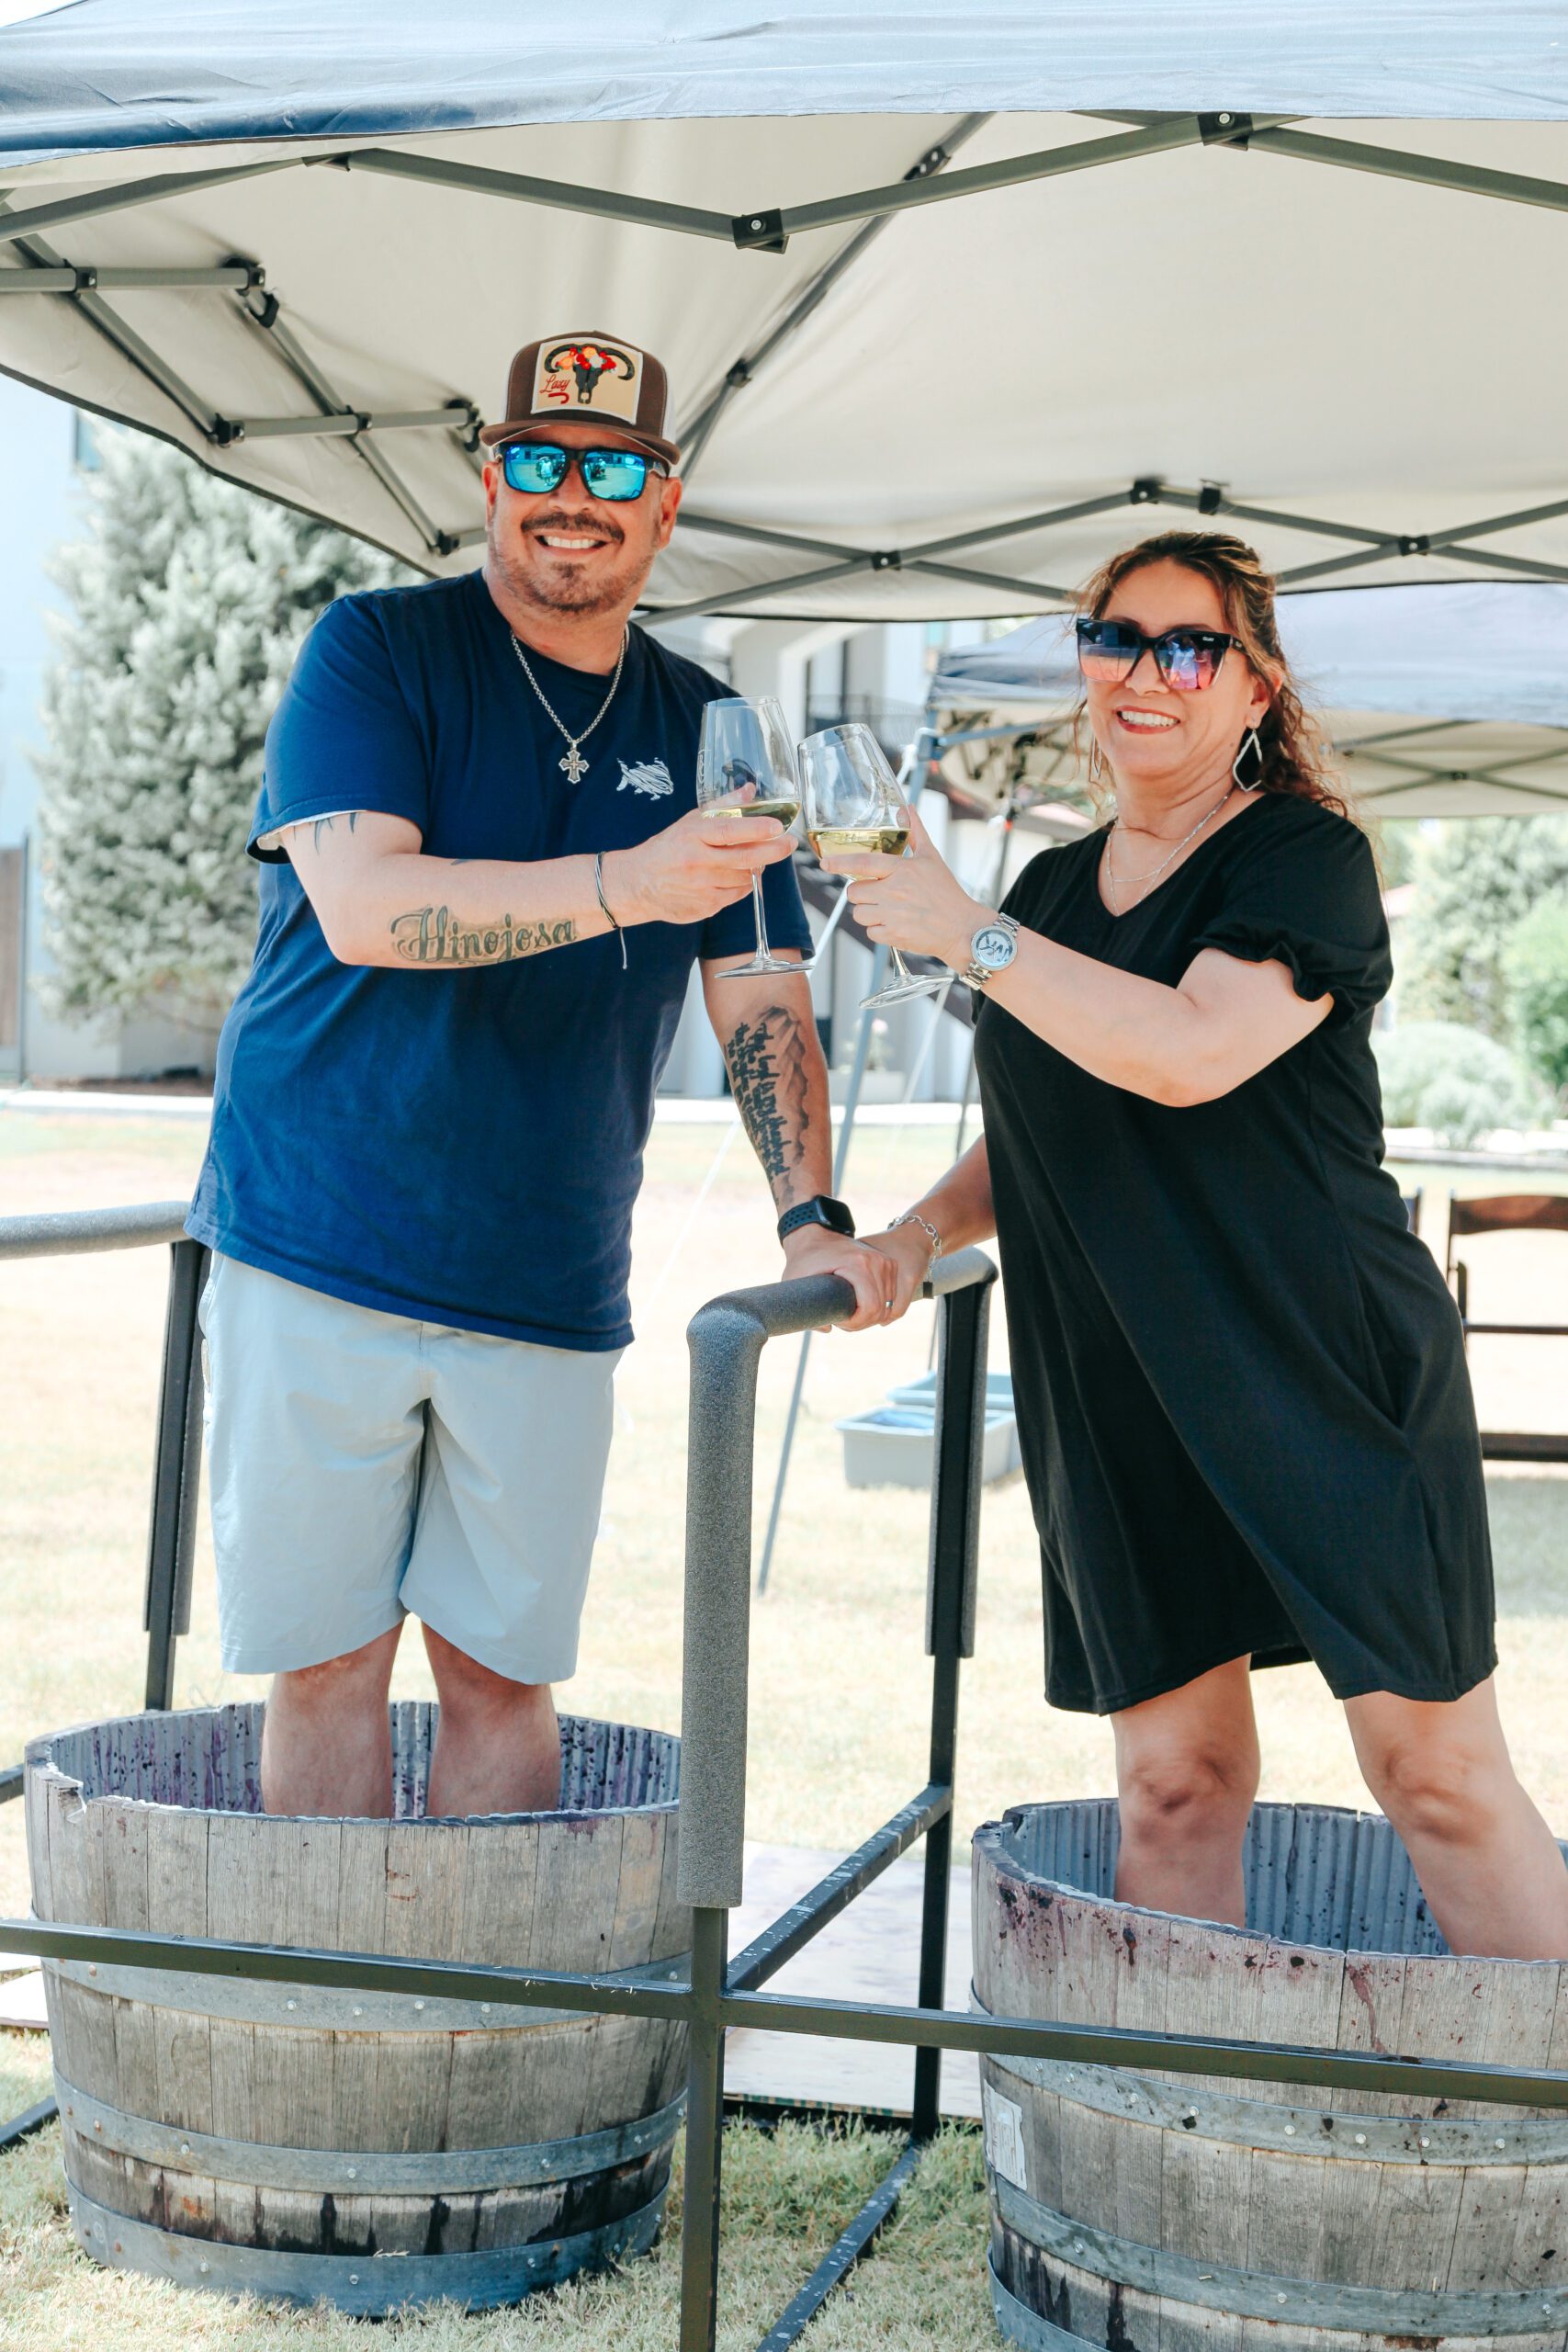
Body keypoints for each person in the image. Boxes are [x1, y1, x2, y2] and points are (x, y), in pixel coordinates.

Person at [187, 329, 897, 1821]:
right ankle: (331, 1976)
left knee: (502, 1676)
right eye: (539, 459)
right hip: (317, 1236)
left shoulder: (707, 725)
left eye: (614, 470)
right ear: (491, 481)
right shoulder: (376, 648)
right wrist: (627, 883)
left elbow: (763, 989)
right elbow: (366, 910)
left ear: (666, 504)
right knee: (325, 1666)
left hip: (548, 1268)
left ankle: (476, 1978)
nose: (573, 496)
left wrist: (808, 1217)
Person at [836, 529, 1568, 1962]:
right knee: (1174, 1783)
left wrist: (965, 932)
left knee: (1436, 1776)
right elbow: (1050, 1120)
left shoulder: (1304, 856)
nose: (1144, 674)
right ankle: (1175, 2102)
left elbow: (1184, 1055)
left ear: (1256, 687)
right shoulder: (1046, 896)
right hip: (1117, 1385)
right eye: (1116, 639)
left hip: (1319, 1365)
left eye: (1190, 648)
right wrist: (914, 1235)